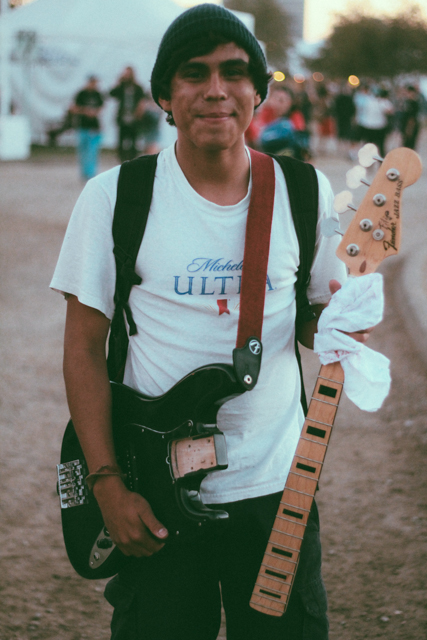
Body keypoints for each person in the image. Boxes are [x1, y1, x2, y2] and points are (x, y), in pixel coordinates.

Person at [50, 5, 373, 639]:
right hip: (155, 486)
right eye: (193, 74)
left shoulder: (302, 192)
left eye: (233, 73)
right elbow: (84, 349)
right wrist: (108, 484)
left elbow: (313, 317)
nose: (215, 90)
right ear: (165, 94)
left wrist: (338, 325)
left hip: (278, 487)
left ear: (260, 92)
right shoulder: (116, 198)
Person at [70, 76, 104, 180]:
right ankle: (84, 173)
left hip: (94, 127)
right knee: (83, 151)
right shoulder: (81, 94)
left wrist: (94, 112)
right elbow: (73, 108)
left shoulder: (98, 94)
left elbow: (101, 107)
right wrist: (85, 111)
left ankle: (91, 173)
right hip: (82, 126)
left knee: (92, 152)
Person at [110, 67, 146, 161]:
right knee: (121, 141)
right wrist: (118, 81)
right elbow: (112, 93)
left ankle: (132, 159)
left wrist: (139, 113)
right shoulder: (122, 86)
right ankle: (122, 160)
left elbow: (143, 99)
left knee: (133, 141)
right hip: (123, 118)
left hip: (134, 118)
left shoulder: (137, 87)